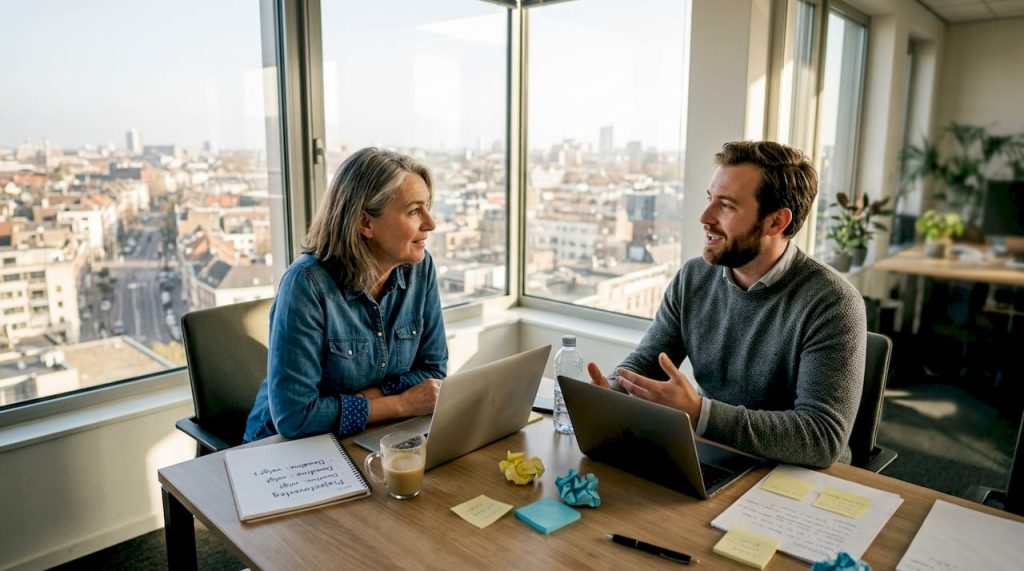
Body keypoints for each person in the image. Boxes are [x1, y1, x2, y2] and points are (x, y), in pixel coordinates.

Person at [587, 140, 866, 468]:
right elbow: (644, 363)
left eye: (727, 206)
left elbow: (821, 437)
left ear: (776, 222)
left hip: (796, 477)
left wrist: (700, 414)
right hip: (716, 452)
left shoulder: (833, 303)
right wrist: (610, 392)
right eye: (710, 200)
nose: (705, 217)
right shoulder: (694, 277)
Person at [244, 147, 447, 442]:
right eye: (414, 211)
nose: (430, 223)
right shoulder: (306, 285)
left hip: (371, 433)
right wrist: (401, 403)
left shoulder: (419, 267)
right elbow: (294, 417)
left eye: (427, 207)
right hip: (285, 449)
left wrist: (371, 401)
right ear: (365, 223)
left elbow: (433, 373)